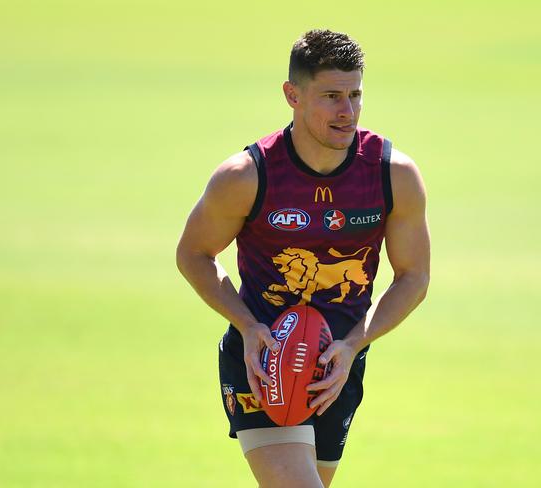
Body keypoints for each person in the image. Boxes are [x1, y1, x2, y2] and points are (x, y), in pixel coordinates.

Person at [176, 29, 430, 488]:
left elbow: (413, 276)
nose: (347, 111)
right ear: (292, 95)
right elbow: (193, 254)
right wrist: (249, 327)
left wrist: (353, 345)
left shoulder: (393, 175)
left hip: (335, 368)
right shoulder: (246, 176)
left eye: (355, 95)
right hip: (263, 361)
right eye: (331, 95)